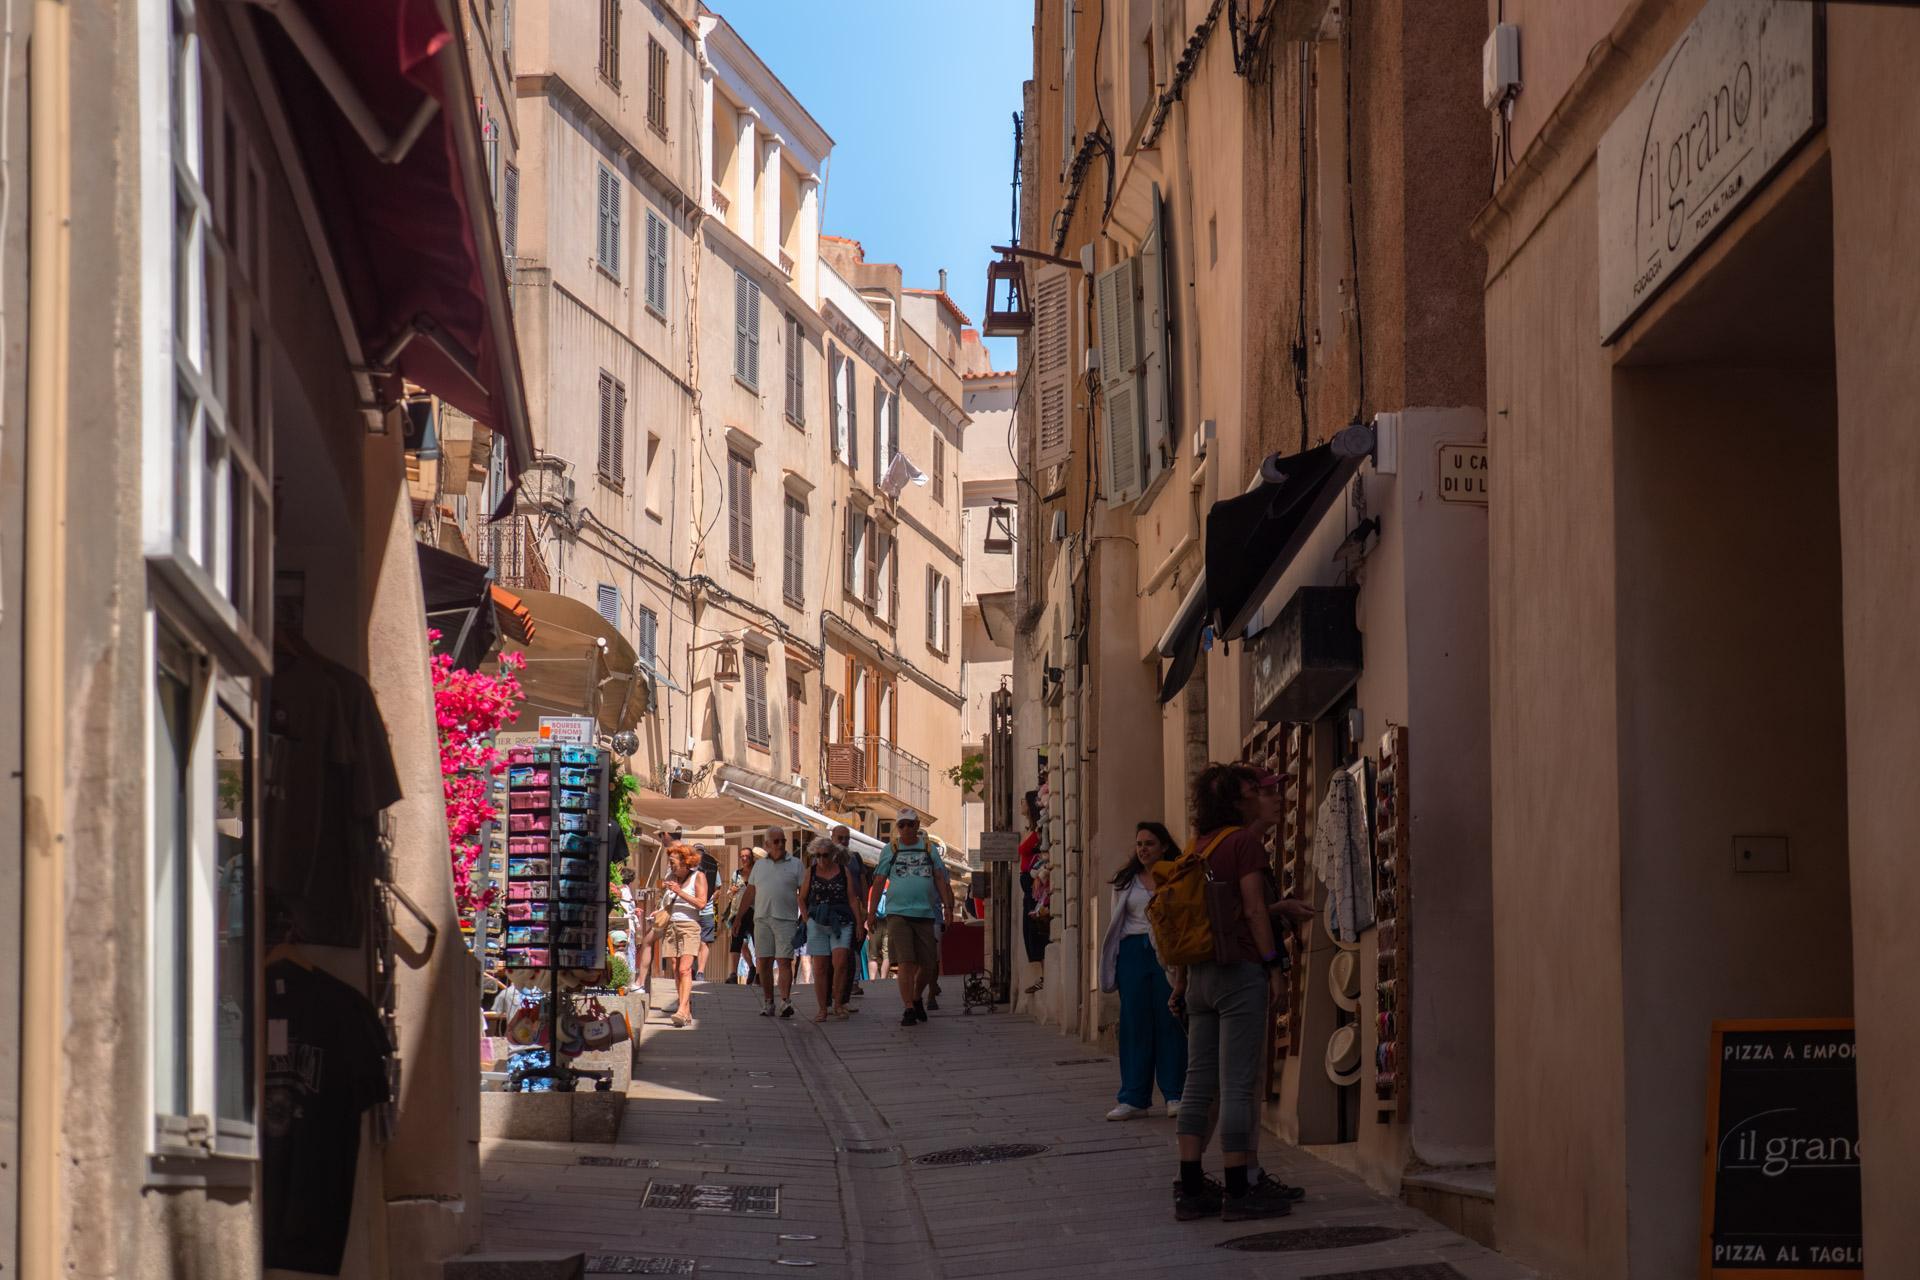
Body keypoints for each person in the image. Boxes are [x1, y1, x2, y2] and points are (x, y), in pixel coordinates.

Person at [1169, 765, 1316, 1222]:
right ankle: (1239, 1188)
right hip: (1238, 973)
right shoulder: (1243, 843)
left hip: (1200, 976)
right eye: (1252, 791)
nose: (1260, 795)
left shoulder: (1198, 847)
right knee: (1237, 1085)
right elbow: (1253, 910)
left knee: (1198, 1084)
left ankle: (1191, 1187)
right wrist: (1273, 966)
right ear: (1236, 802)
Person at [1099, 821, 1188, 1120]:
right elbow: (1117, 922)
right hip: (1133, 953)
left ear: (1164, 846)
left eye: (1149, 843)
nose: (1143, 849)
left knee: (1170, 1019)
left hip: (1166, 952)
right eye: (1139, 844)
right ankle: (1133, 1097)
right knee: (1134, 1022)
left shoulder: (1177, 876)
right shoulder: (1126, 881)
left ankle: (1175, 1093)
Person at [868, 809, 952, 1027]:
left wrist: (948, 907)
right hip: (898, 914)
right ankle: (908, 1008)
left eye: (910, 824)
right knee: (906, 961)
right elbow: (878, 881)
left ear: (917, 826)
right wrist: (871, 912)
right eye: (901, 825)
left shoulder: (928, 848)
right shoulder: (890, 849)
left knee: (929, 963)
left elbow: (940, 878)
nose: (905, 828)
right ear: (898, 828)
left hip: (925, 913)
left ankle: (916, 996)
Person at [736, 825, 802, 1017]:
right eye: (776, 841)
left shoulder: (796, 864)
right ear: (767, 844)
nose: (781, 844)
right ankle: (768, 1002)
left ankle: (785, 1001)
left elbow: (803, 892)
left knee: (784, 961)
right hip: (762, 919)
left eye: (783, 841)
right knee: (763, 962)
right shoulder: (760, 865)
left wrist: (806, 916)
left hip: (786, 919)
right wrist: (739, 917)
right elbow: (750, 892)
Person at [799, 836, 865, 1021]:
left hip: (841, 921)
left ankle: (838, 1003)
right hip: (818, 922)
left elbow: (852, 898)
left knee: (841, 962)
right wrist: (806, 919)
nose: (821, 859)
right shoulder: (810, 872)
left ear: (833, 855)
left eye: (825, 855)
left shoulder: (843, 871)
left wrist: (859, 922)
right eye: (817, 855)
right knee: (820, 967)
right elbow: (801, 897)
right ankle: (822, 1008)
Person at [656, 843, 708, 1029]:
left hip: (689, 926)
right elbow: (667, 902)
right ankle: (686, 1010)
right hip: (671, 926)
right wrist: (660, 910)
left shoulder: (698, 877)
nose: (670, 866)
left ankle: (682, 1008)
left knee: (685, 969)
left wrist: (680, 892)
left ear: (685, 862)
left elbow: (702, 903)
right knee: (676, 968)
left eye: (673, 862)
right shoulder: (671, 877)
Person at [831, 824, 868, 1005]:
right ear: (832, 837)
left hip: (852, 910)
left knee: (853, 946)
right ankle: (834, 986)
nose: (844, 841)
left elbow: (862, 882)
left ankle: (853, 983)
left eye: (847, 838)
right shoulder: (824, 857)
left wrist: (865, 907)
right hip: (831, 911)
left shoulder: (855, 858)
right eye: (841, 838)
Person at [720, 846, 757, 983]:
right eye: (742, 856)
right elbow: (730, 893)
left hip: (754, 911)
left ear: (752, 857)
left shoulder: (756, 873)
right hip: (737, 912)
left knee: (757, 942)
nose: (744, 858)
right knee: (737, 942)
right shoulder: (736, 874)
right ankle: (734, 974)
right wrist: (732, 890)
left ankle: (758, 972)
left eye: (747, 856)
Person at [694, 843, 721, 981]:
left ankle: (700, 971)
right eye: (697, 852)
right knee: (693, 941)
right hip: (691, 910)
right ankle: (692, 968)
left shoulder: (712, 868)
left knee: (704, 941)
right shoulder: (689, 868)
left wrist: (709, 898)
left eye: (701, 852)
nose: (699, 854)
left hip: (707, 910)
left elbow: (717, 888)